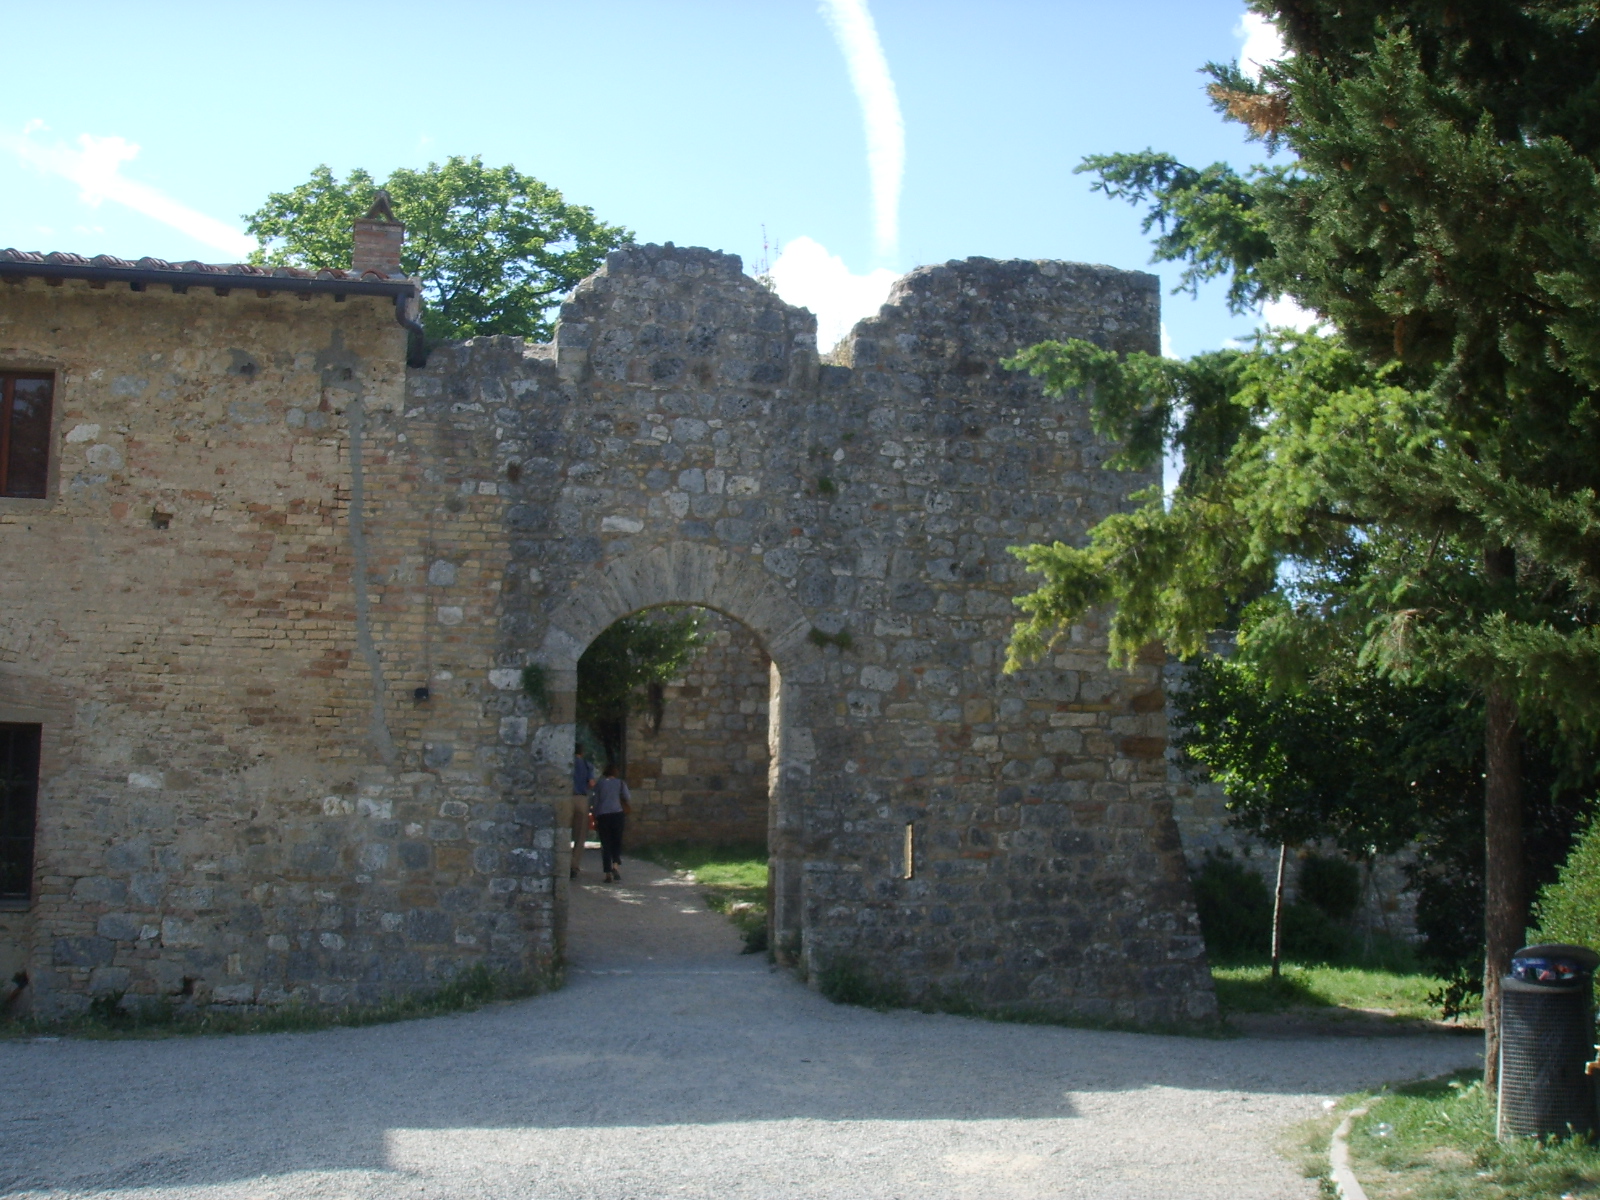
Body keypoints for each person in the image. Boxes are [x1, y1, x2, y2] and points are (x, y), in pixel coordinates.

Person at [590, 763, 631, 883]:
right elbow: (628, 797)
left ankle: (607, 873)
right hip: (617, 814)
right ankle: (615, 866)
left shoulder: (600, 784)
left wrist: (595, 815)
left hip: (603, 816)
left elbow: (595, 801)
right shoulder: (620, 783)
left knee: (606, 843)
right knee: (616, 841)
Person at [569, 747, 596, 879]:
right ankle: (573, 866)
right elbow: (591, 783)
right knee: (580, 835)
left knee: (563, 831)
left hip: (566, 797)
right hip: (581, 798)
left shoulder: (566, 762)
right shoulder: (587, 764)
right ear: (581, 752)